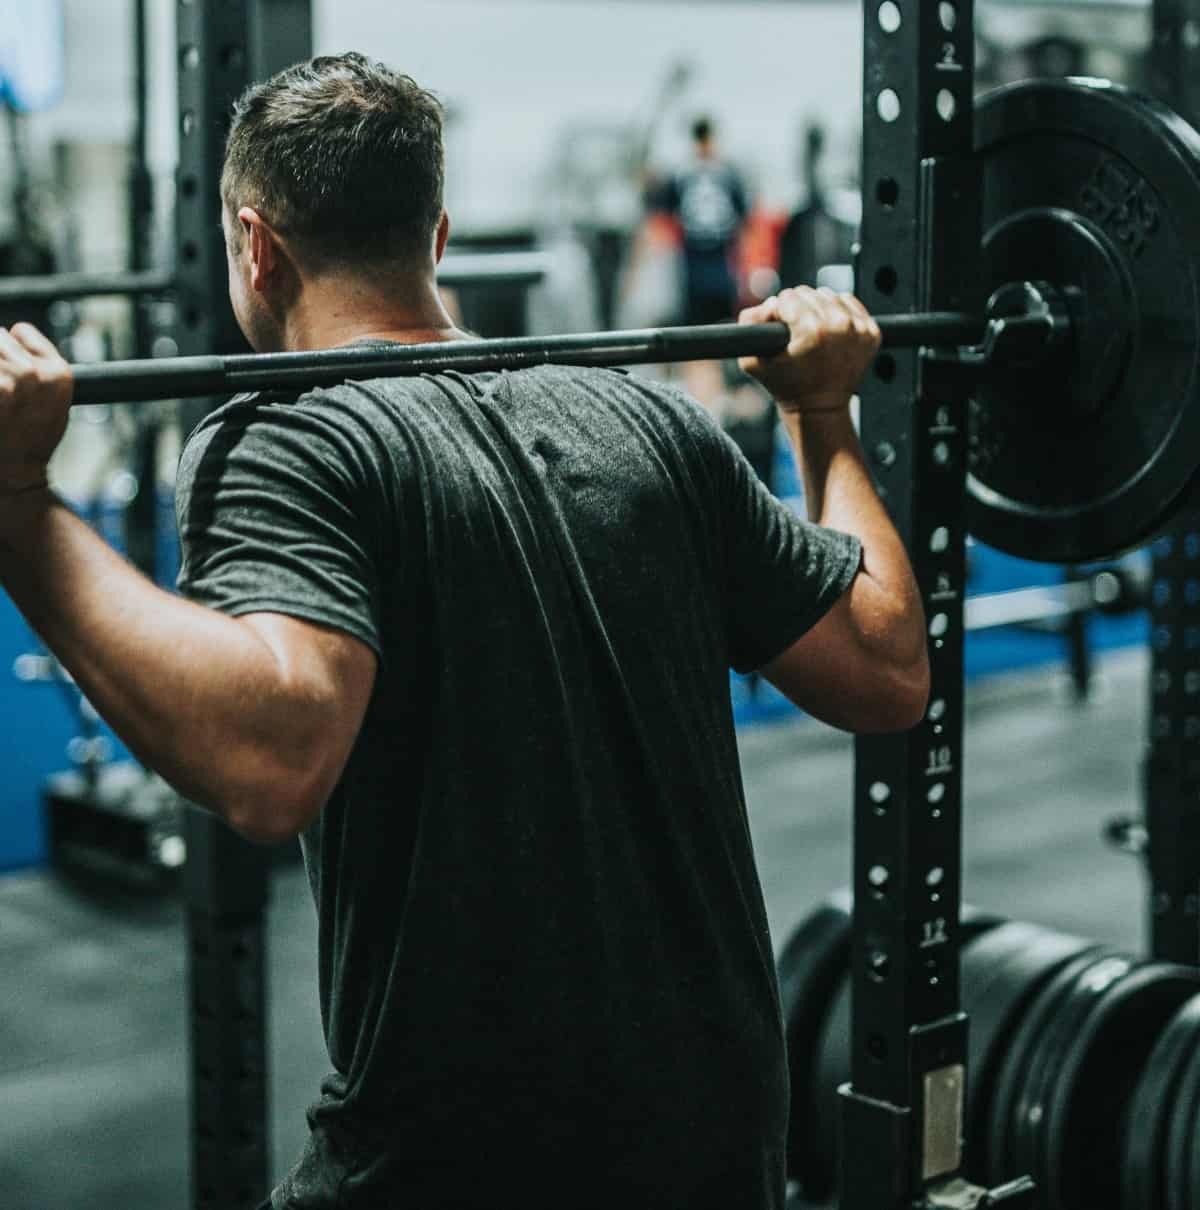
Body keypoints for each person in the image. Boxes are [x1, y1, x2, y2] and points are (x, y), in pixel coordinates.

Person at [0, 54, 928, 1210]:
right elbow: (889, 669)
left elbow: (273, 759)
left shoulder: (292, 440)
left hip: (465, 1159)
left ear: (256, 245)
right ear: (436, 233)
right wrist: (822, 412)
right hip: (722, 1137)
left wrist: (20, 508)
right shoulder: (645, 418)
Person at [646, 116, 753, 420]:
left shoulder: (682, 176)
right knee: (715, 339)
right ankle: (711, 401)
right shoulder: (728, 174)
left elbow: (660, 217)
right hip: (715, 269)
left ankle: (706, 403)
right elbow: (743, 223)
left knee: (699, 341)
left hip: (698, 270)